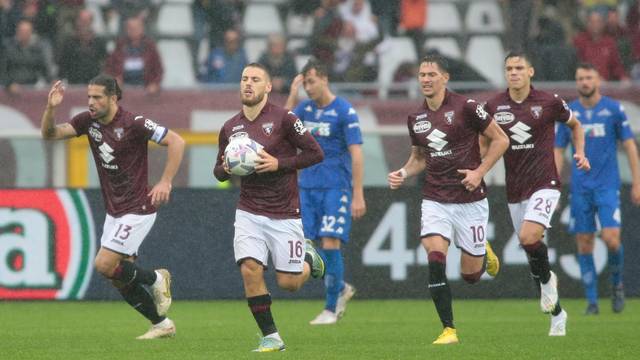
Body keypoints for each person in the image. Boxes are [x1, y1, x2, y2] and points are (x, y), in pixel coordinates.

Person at [40, 74, 185, 339]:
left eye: (97, 97)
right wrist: (51, 108)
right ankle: (161, 324)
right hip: (114, 211)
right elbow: (49, 134)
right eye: (88, 97)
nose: (91, 102)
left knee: (104, 264)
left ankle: (156, 279)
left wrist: (165, 181)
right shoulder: (88, 121)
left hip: (139, 207)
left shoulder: (135, 123)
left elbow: (177, 141)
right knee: (119, 278)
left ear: (113, 97)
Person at [387, 54, 508, 345]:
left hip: (470, 199)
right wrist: (403, 172)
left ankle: (482, 251)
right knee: (435, 255)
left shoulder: (466, 107)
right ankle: (448, 329)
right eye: (422, 75)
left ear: (445, 78)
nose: (426, 79)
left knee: (470, 276)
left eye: (431, 74)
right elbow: (419, 158)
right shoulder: (415, 118)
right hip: (435, 198)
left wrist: (479, 172)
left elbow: (501, 139)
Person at [213, 63, 326, 352]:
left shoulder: (285, 119)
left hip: (284, 211)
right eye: (244, 79)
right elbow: (218, 172)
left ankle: (308, 258)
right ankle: (272, 337)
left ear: (267, 87)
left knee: (288, 283)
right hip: (248, 210)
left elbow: (316, 153)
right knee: (250, 269)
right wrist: (226, 169)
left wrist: (280, 164)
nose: (248, 84)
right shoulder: (230, 128)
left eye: (255, 79)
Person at [484, 51, 590, 337]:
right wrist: (477, 169)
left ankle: (546, 284)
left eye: (519, 68)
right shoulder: (493, 106)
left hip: (545, 182)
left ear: (530, 72)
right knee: (532, 251)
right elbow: (483, 141)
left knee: (529, 237)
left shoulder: (549, 102)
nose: (514, 72)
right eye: (509, 68)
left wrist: (579, 152)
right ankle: (557, 313)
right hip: (515, 187)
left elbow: (576, 125)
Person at [554, 63, 640, 315]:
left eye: (589, 77)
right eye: (580, 78)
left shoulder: (613, 109)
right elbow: (558, 150)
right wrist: (554, 184)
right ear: (576, 81)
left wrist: (637, 181)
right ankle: (592, 301)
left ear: (598, 80)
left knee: (612, 239)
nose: (584, 82)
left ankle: (617, 286)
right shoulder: (570, 113)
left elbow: (629, 146)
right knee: (584, 241)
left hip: (607, 186)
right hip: (580, 187)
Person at [285, 59, 365, 325]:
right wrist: (292, 94)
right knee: (307, 245)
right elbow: (280, 128)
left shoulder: (344, 110)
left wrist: (358, 194)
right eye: (305, 82)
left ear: (325, 79)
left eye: (311, 81)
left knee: (331, 242)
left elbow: (356, 153)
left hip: (335, 187)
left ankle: (331, 308)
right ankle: (340, 287)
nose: (308, 87)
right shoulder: (304, 109)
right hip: (306, 187)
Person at [104, 16, 163, 95]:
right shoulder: (120, 45)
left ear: (142, 29)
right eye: (130, 28)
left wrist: (154, 84)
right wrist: (115, 79)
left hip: (145, 86)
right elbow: (109, 67)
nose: (133, 31)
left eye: (136, 28)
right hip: (123, 87)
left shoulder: (150, 46)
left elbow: (158, 69)